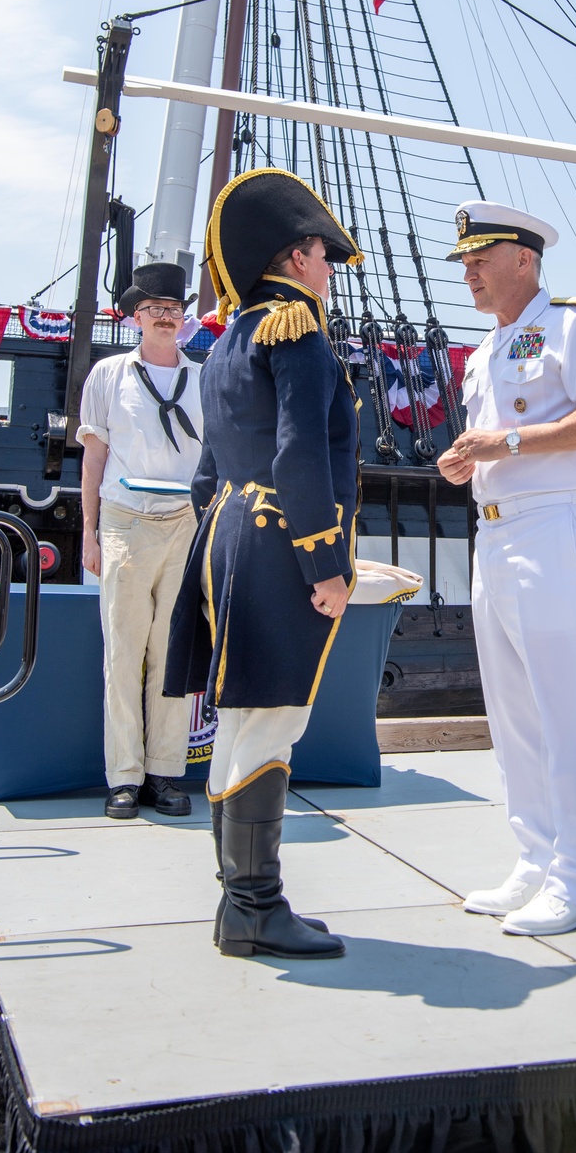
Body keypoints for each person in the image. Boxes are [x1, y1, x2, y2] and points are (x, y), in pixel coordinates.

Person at [164, 169, 362, 961]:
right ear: (298, 255)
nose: (328, 272)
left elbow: (211, 467)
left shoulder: (227, 341)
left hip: (227, 532)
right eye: (323, 256)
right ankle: (254, 907)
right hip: (282, 536)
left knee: (242, 719)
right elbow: (301, 453)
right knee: (272, 719)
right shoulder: (298, 332)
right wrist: (324, 560)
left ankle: (240, 905)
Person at [437, 201, 576, 937]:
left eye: (480, 260)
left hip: (557, 526)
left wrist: (505, 446)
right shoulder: (487, 351)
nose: (470, 273)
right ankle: (536, 858)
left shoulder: (572, 327)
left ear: (525, 258)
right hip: (496, 533)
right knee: (514, 713)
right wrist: (469, 457)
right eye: (464, 263)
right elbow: (494, 439)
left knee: (567, 709)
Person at [78, 263, 202, 819]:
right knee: (124, 652)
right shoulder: (109, 375)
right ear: (136, 317)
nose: (165, 318)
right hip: (125, 520)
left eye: (173, 310)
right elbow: (95, 457)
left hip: (183, 523)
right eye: (154, 310)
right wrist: (89, 532)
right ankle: (124, 776)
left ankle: (165, 773)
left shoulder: (201, 379)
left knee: (171, 653)